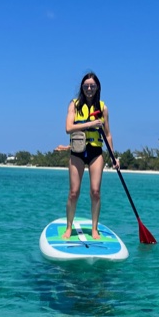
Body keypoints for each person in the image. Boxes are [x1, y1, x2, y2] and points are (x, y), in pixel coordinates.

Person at [61, 72, 118, 240]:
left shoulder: (103, 108)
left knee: (95, 192)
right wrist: (91, 124)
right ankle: (69, 226)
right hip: (77, 151)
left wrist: (114, 157)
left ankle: (94, 228)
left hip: (95, 152)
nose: (89, 88)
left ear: (97, 87)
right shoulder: (74, 105)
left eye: (92, 86)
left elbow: (108, 135)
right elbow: (68, 128)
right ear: (82, 87)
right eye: (86, 86)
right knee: (74, 192)